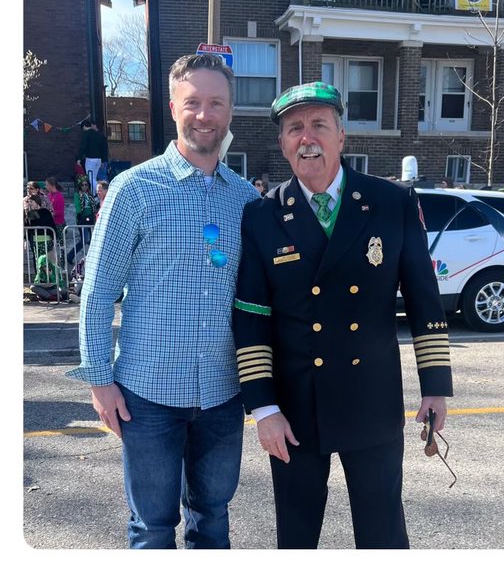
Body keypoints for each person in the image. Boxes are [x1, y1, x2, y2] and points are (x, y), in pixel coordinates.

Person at [233, 82, 452, 549]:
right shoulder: (263, 216)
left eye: (318, 125)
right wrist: (264, 408)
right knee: (296, 533)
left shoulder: (391, 203)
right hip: (293, 405)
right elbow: (252, 317)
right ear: (282, 143)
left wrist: (435, 386)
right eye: (295, 129)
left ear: (341, 136)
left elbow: (423, 300)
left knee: (382, 531)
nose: (306, 137)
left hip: (370, 396)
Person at [67, 53, 259, 548]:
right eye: (192, 101)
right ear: (173, 107)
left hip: (222, 392)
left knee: (213, 518)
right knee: (151, 526)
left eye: (216, 102)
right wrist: (98, 380)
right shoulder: (134, 189)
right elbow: (99, 288)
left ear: (230, 111)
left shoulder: (245, 200)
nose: (204, 114)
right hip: (147, 394)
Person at [78, 119, 109, 194]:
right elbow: (103, 148)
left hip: (90, 159)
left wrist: (79, 158)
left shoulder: (86, 134)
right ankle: (94, 195)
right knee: (94, 178)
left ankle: (102, 191)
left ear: (85, 126)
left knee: (91, 178)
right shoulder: (98, 134)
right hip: (98, 160)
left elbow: (83, 147)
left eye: (83, 128)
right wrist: (103, 159)